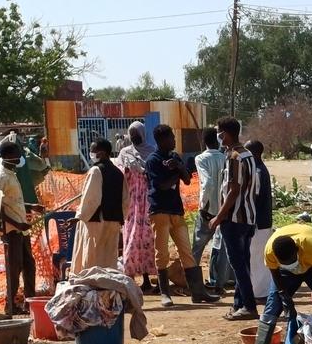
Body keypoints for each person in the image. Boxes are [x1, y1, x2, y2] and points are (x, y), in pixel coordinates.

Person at [146, 123, 219, 307]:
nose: (174, 140)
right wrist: (175, 172)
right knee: (161, 253)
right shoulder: (153, 160)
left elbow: (187, 180)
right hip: (160, 211)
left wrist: (179, 167)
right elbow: (161, 186)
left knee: (187, 252)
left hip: (177, 211)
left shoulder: (174, 157)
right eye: (172, 137)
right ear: (162, 140)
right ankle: (165, 294)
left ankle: (197, 291)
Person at [209, 116, 259, 320]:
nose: (218, 136)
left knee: (238, 265)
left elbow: (233, 190)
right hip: (248, 217)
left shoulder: (235, 157)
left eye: (220, 132)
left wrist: (218, 218)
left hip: (235, 219)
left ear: (226, 134)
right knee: (243, 263)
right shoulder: (247, 154)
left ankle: (249, 306)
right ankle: (240, 304)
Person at [0, 141, 41, 313]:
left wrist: (30, 207)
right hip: (12, 231)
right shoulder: (0, 177)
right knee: (15, 268)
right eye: (17, 154)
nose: (20, 157)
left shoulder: (12, 174)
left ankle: (31, 303)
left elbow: (13, 202)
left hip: (22, 230)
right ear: (7, 156)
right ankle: (10, 307)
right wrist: (16, 223)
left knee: (29, 265)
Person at [69, 139, 129, 274]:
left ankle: (93, 289)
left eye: (93, 151)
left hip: (96, 222)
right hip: (114, 222)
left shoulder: (96, 171)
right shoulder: (119, 173)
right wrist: (120, 218)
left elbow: (91, 199)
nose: (91, 154)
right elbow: (126, 201)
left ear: (101, 153)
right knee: (108, 260)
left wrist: (80, 216)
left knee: (92, 260)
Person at [115, 121, 158, 293]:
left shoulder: (152, 152)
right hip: (132, 202)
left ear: (143, 134)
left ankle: (150, 278)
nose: (134, 137)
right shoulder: (125, 153)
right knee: (131, 238)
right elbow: (120, 175)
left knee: (148, 238)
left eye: (137, 134)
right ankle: (132, 280)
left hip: (148, 200)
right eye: (132, 135)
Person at [192, 127, 230, 293]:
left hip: (208, 211)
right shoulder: (225, 158)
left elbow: (207, 183)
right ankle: (219, 284)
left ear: (204, 141)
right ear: (217, 140)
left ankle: (193, 283)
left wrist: (203, 205)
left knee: (196, 249)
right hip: (223, 210)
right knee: (221, 247)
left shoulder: (200, 159)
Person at [245, 139, 274, 300]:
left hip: (258, 221)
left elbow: (253, 198)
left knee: (256, 258)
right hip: (264, 220)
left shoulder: (257, 171)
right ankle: (262, 290)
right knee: (259, 257)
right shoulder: (261, 169)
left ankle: (259, 292)